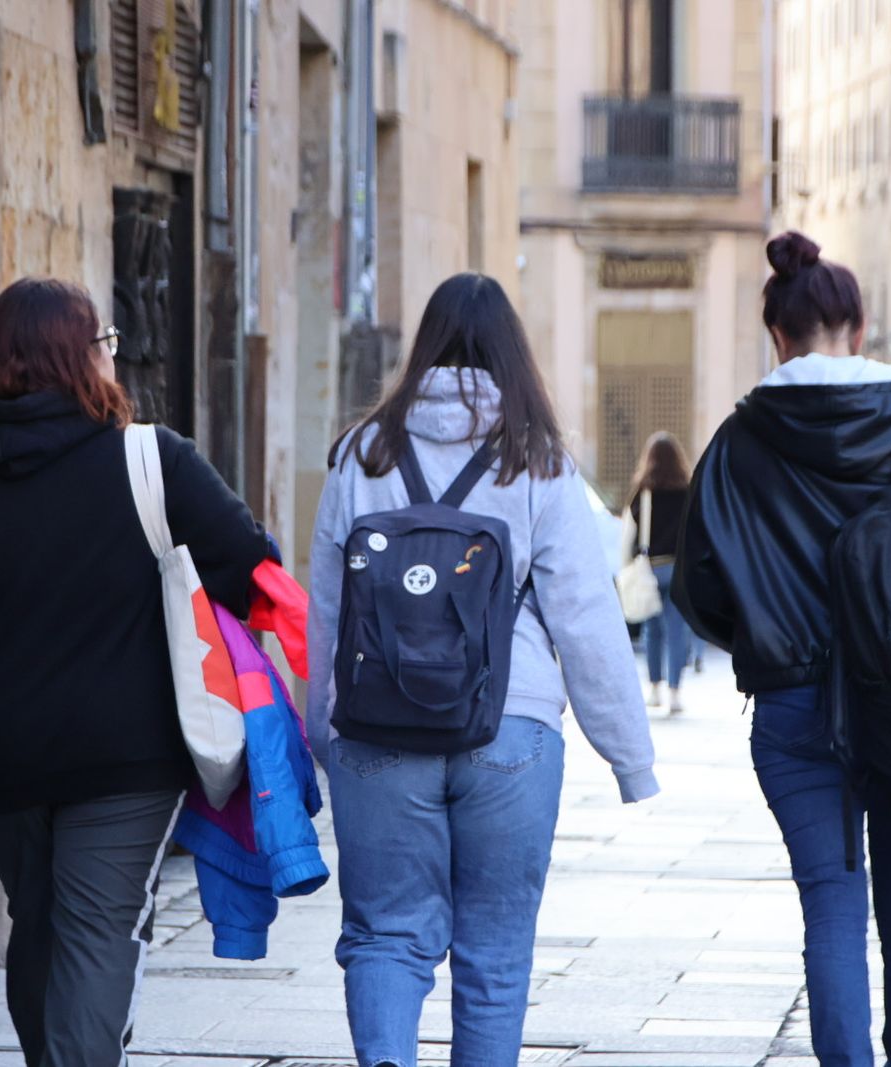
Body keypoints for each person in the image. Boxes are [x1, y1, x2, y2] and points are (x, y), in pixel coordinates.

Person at [0, 277, 271, 1067]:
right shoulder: (150, 459)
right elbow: (251, 564)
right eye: (104, 342)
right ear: (83, 357)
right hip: (127, 755)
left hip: (6, 759)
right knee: (97, 929)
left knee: (39, 924)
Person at [673, 233, 891, 1067]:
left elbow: (698, 584)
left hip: (793, 705)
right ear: (860, 328)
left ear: (777, 338)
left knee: (830, 906)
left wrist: (764, 635)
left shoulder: (739, 442)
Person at [308, 273, 659, 1067]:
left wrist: (320, 733)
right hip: (513, 728)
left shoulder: (361, 453)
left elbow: (326, 607)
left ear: (423, 346)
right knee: (494, 958)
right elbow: (585, 618)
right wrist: (629, 758)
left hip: (378, 726)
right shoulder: (537, 460)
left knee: (383, 936)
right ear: (512, 354)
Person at [623, 432, 703, 713]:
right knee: (677, 630)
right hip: (678, 569)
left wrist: (626, 567)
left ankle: (655, 689)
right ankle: (675, 691)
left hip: (650, 569)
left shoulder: (644, 493)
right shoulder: (689, 491)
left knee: (652, 632)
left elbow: (628, 534)